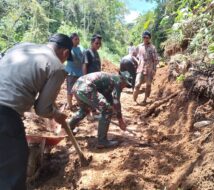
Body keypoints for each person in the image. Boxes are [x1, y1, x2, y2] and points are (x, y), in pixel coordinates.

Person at [0, 33, 72, 190]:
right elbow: (42, 109)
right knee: (13, 171)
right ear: (65, 53)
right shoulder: (57, 66)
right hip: (5, 115)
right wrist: (56, 114)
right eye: (66, 58)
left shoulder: (22, 47)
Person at [68, 71, 132, 148]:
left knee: (84, 110)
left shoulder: (110, 79)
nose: (124, 87)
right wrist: (120, 120)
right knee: (107, 110)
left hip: (77, 87)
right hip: (86, 88)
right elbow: (116, 101)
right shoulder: (117, 82)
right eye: (125, 84)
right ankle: (102, 141)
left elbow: (109, 99)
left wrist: (113, 109)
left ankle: (68, 130)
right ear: (122, 79)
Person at [133, 31, 159, 105]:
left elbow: (156, 60)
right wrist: (138, 62)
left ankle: (145, 100)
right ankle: (134, 100)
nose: (145, 39)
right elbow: (133, 55)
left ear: (149, 38)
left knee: (148, 85)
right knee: (137, 84)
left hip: (150, 69)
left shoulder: (153, 48)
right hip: (140, 68)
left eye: (147, 37)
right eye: (144, 37)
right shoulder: (139, 46)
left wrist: (154, 69)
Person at [65, 33, 84, 110]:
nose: (77, 40)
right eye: (75, 39)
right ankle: (70, 105)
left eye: (78, 39)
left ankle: (80, 104)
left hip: (80, 73)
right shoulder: (69, 49)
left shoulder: (81, 48)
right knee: (70, 89)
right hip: (71, 72)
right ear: (71, 40)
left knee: (79, 89)